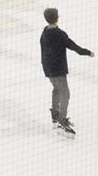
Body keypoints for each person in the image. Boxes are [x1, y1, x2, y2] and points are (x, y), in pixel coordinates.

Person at [40, 8, 93, 136]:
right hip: (57, 68)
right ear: (57, 17)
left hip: (47, 66)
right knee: (65, 93)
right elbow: (74, 47)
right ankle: (62, 121)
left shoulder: (44, 32)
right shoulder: (60, 34)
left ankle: (55, 115)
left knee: (56, 89)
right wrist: (87, 52)